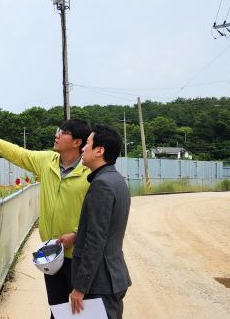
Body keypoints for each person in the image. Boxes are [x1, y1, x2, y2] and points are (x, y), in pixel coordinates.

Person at [0, 118, 91, 316]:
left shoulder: (90, 171)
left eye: (62, 132)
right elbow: (18, 153)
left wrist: (76, 234)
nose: (56, 135)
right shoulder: (47, 161)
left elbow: (99, 215)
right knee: (58, 309)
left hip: (78, 254)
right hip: (52, 252)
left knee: (81, 311)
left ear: (77, 142)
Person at [69, 125, 131, 319]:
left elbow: (96, 240)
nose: (83, 149)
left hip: (100, 284)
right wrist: (76, 237)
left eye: (87, 144)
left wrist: (80, 287)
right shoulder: (116, 179)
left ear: (99, 151)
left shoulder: (102, 185)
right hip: (109, 278)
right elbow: (105, 228)